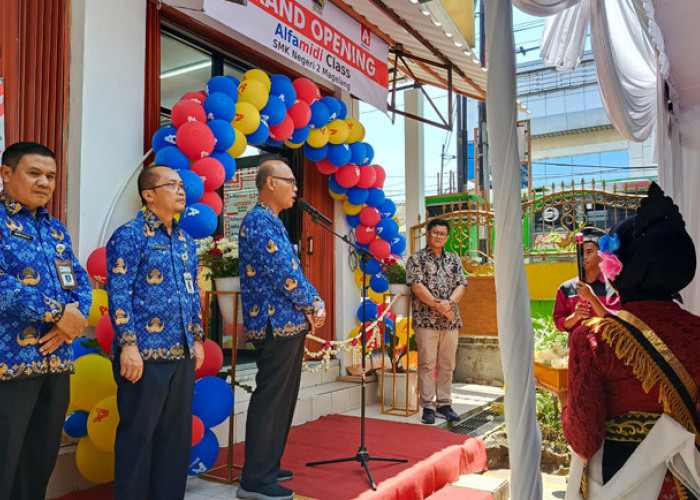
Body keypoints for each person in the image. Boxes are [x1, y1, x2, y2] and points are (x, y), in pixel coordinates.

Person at [560, 183, 700, 499]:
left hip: (620, 481)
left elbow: (583, 440)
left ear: (618, 269)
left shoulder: (593, 338)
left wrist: (565, 407)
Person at [106, 165, 205, 500]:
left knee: (175, 438)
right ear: (148, 195)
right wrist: (129, 345)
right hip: (144, 356)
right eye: (172, 185)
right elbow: (118, 293)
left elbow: (192, 293)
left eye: (182, 185)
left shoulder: (184, 240)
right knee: (139, 437)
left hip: (181, 354)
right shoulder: (129, 236)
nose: (181, 190)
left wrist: (198, 337)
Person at [0, 142, 91, 500]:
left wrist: (74, 317)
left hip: (56, 360)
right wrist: (57, 314)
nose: (44, 182)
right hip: (9, 364)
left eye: (50, 176)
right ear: (7, 174)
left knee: (39, 460)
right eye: (34, 173)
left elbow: (78, 281)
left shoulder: (56, 230)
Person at [237, 159, 325, 500]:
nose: (296, 189)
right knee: (271, 399)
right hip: (274, 323)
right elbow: (284, 275)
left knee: (283, 399)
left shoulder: (272, 221)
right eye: (290, 181)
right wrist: (313, 303)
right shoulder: (259, 221)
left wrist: (310, 302)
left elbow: (290, 271)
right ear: (270, 183)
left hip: (287, 322)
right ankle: (255, 479)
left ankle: (268, 465)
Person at [406, 218, 467, 425]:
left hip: (450, 321)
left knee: (447, 365)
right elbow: (417, 287)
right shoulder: (416, 259)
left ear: (447, 237)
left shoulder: (454, 259)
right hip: (426, 321)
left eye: (442, 233)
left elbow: (461, 285)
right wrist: (439, 306)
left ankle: (444, 404)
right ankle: (428, 406)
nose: (438, 236)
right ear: (427, 234)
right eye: (435, 232)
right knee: (426, 364)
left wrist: (449, 304)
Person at [552, 226, 620, 334]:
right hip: (577, 349)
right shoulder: (565, 288)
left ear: (601, 255)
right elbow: (559, 325)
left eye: (589, 252)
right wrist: (575, 316)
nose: (584, 257)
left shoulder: (613, 287)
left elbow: (617, 322)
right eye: (581, 252)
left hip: (604, 349)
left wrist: (591, 298)